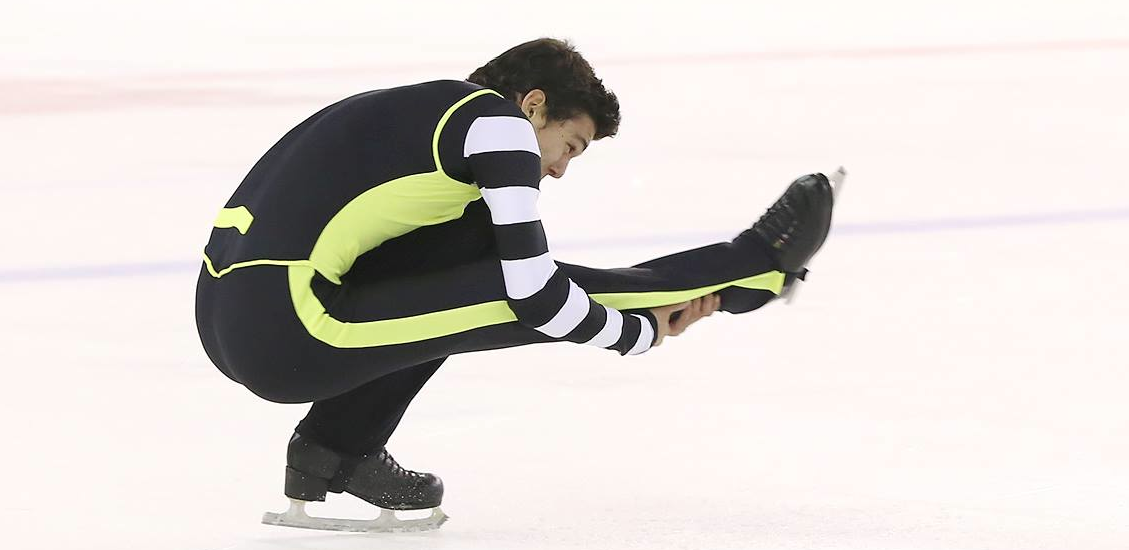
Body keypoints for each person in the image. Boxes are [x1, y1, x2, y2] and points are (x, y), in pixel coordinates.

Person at [195, 37, 836, 531]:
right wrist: (636, 337)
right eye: (570, 144)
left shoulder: (423, 109)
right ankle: (748, 267)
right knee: (503, 285)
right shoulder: (499, 126)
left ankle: (336, 449)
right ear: (533, 104)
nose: (557, 169)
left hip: (229, 313)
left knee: (477, 242)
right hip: (290, 330)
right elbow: (531, 295)